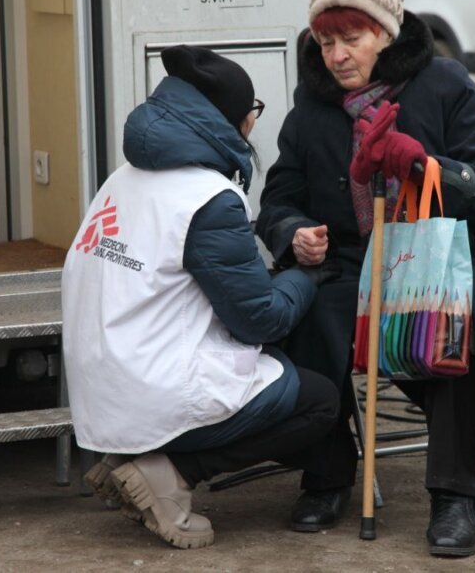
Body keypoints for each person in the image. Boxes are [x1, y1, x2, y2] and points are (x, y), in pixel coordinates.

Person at [256, 0, 475, 557]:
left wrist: (423, 165)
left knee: (451, 313)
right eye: (326, 42)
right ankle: (327, 475)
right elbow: (277, 200)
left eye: (352, 39)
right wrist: (295, 232)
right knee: (310, 309)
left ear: (386, 32)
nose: (337, 56)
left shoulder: (447, 85)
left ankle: (455, 493)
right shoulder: (311, 111)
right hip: (358, 261)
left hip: (462, 252)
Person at [61, 45, 340, 549]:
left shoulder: (120, 180)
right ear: (237, 121)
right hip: (149, 390)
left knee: (255, 363)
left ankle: (129, 458)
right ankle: (170, 471)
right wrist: (307, 275)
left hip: (99, 391)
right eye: (252, 111)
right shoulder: (206, 197)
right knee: (319, 400)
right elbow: (260, 321)